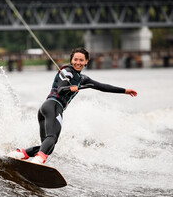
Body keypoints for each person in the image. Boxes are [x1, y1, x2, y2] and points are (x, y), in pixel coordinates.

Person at [8, 47, 138, 164]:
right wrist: (71, 88)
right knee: (51, 139)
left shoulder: (83, 79)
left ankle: (20, 153)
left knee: (48, 146)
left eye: (81, 60)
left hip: (46, 110)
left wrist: (125, 91)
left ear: (86, 62)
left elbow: (102, 86)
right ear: (71, 60)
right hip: (53, 106)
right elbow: (61, 89)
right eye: (75, 59)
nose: (78, 62)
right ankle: (38, 161)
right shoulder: (67, 72)